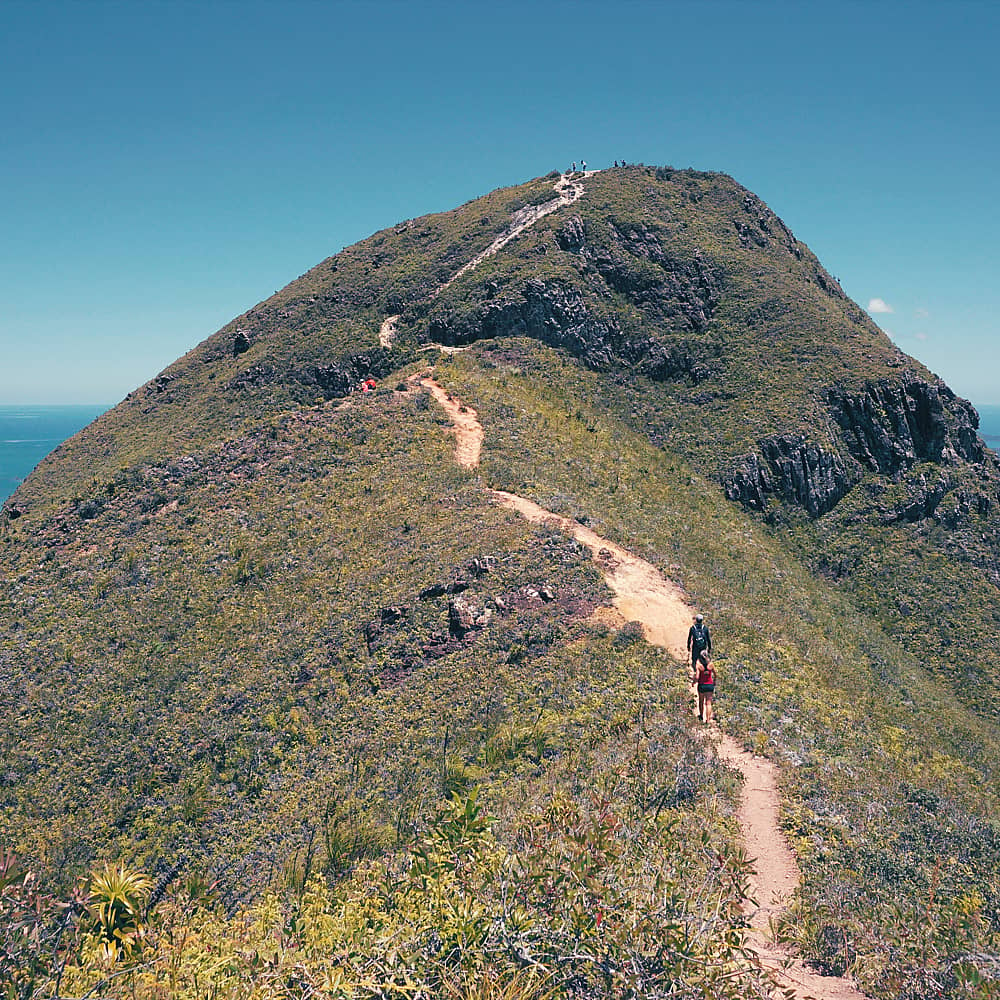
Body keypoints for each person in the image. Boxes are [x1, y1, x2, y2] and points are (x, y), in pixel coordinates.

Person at [694, 653, 716, 723]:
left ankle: (701, 716)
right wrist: (714, 681)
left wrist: (694, 682)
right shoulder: (711, 665)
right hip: (709, 685)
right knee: (708, 703)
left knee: (701, 701)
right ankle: (708, 719)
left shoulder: (699, 666)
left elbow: (697, 677)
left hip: (702, 685)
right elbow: (715, 674)